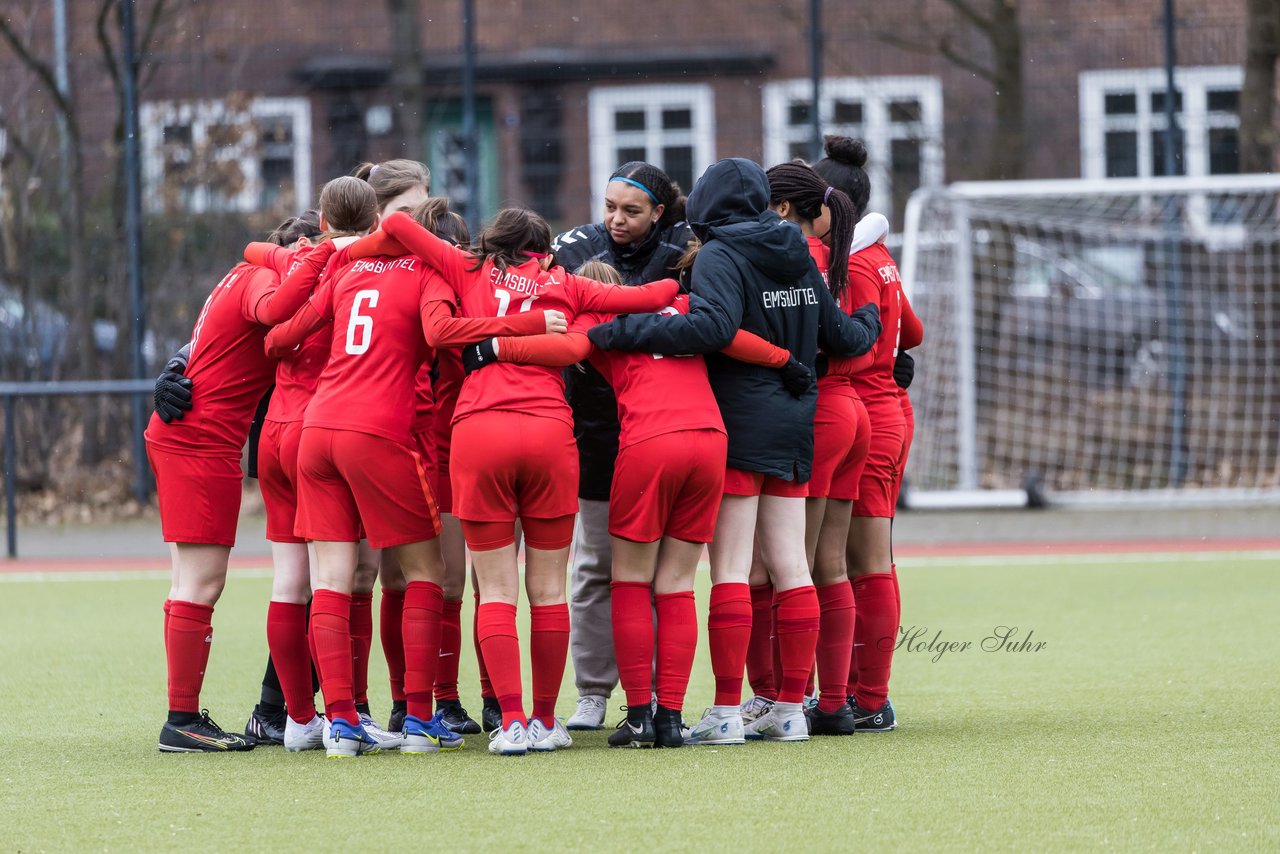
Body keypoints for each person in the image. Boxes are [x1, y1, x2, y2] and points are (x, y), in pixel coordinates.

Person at [345, 206, 681, 755]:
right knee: (547, 592)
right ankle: (548, 720)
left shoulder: (464, 267)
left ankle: (514, 721)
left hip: (478, 434)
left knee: (495, 590)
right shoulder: (566, 282)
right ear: (544, 249)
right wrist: (687, 270)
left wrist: (347, 250)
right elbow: (646, 297)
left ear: (490, 243)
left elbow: (400, 225)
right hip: (550, 434)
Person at [587, 157, 881, 744]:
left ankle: (726, 712)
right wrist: (872, 319)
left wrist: (614, 330)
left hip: (741, 421)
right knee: (791, 564)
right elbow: (841, 336)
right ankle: (792, 709)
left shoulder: (720, 253)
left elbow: (711, 328)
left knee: (734, 569)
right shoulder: (797, 250)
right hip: (798, 419)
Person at [259, 191, 563, 758]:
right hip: (380, 432)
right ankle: (421, 719)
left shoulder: (348, 270)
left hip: (317, 429)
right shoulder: (428, 274)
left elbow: (281, 335)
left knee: (331, 577)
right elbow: (441, 334)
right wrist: (521, 323)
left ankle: (340, 724)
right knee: (426, 572)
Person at [470, 258, 801, 748]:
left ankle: (642, 715)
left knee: (629, 581)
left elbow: (566, 350)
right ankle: (672, 717)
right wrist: (786, 361)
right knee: (678, 583)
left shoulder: (597, 321)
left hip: (650, 441)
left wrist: (491, 347)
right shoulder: (681, 306)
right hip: (711, 441)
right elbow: (730, 336)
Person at [146, 191, 347, 753]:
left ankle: (182, 715)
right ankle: (181, 720)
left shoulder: (244, 269)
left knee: (188, 582)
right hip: (201, 440)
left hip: (190, 434)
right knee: (201, 583)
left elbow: (212, 345)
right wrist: (311, 267)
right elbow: (270, 311)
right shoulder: (263, 276)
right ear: (301, 248)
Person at [550, 162, 694, 730]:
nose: (615, 219)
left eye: (631, 211)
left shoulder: (684, 251)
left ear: (659, 213)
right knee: (592, 566)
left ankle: (658, 691)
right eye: (609, 206)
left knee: (660, 574)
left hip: (659, 430)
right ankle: (592, 690)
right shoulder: (575, 247)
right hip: (593, 429)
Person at [812, 136, 924, 732]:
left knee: (857, 562)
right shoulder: (878, 256)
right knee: (863, 560)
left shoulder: (850, 261)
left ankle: (868, 697)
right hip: (888, 408)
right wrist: (893, 352)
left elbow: (846, 338)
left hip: (866, 412)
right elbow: (914, 329)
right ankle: (861, 694)